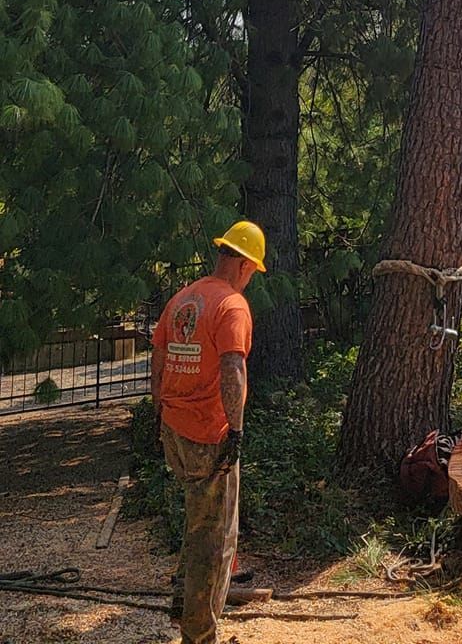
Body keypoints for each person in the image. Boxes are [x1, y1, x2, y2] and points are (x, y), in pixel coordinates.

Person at [151, 219, 266, 644]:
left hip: (175, 428)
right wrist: (234, 431)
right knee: (215, 540)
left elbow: (159, 356)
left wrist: (158, 410)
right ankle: (199, 635)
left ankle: (184, 604)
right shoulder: (232, 305)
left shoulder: (184, 298)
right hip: (207, 435)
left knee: (197, 521)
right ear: (243, 265)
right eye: (253, 270)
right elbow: (233, 369)